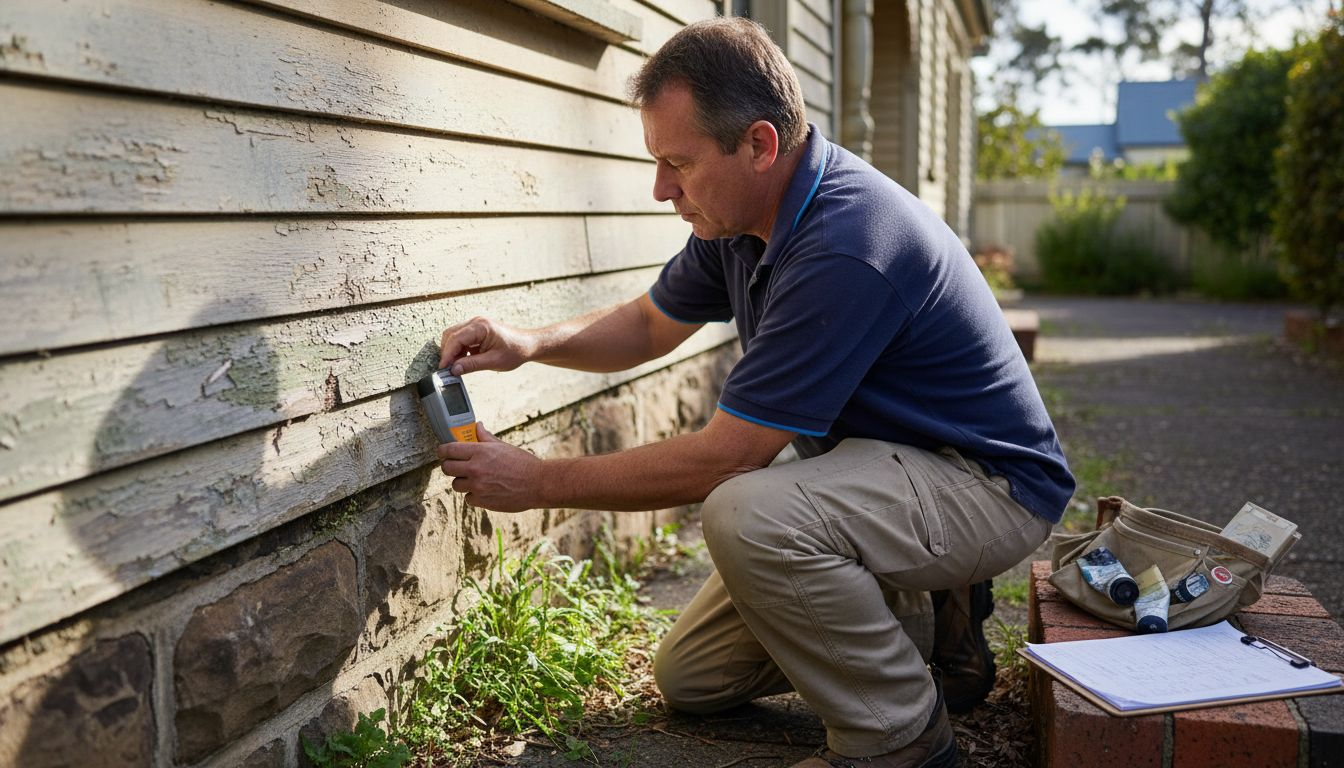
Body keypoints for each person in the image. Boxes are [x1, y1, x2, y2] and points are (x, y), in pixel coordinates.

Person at [435, 17, 1073, 768]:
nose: (659, 188)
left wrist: (539, 481)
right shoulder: (737, 219)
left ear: (761, 144)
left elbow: (724, 459)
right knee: (693, 679)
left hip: (986, 486)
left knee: (747, 506)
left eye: (678, 162)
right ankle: (922, 619)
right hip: (883, 465)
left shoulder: (846, 244)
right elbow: (647, 325)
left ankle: (898, 738)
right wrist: (532, 344)